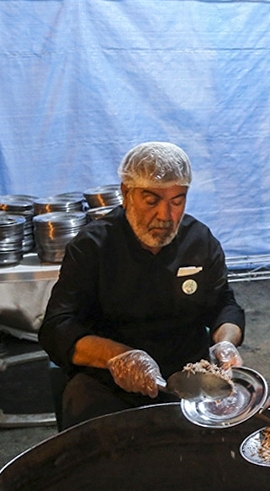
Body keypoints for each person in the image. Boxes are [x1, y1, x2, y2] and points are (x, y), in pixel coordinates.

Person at [40, 142, 245, 429]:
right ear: (126, 194)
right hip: (108, 384)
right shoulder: (92, 247)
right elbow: (57, 328)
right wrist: (119, 357)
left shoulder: (199, 241)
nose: (165, 216)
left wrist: (225, 343)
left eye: (177, 201)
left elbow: (224, 305)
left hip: (187, 380)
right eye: (152, 201)